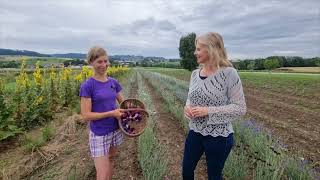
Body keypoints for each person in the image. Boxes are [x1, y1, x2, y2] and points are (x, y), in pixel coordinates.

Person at [182, 32, 247, 180]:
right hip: (195, 131)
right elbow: (190, 98)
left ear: (211, 49)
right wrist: (187, 107)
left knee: (214, 176)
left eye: (198, 49)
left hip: (219, 136)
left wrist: (208, 111)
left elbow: (240, 108)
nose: (195, 52)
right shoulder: (194, 74)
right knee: (186, 171)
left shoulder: (229, 74)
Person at [80, 46, 125, 180]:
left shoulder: (113, 82)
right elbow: (86, 115)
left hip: (115, 130)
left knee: (111, 159)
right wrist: (111, 113)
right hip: (99, 133)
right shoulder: (88, 86)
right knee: (102, 174)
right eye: (99, 62)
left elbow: (124, 103)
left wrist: (137, 109)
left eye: (106, 61)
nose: (104, 65)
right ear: (91, 63)